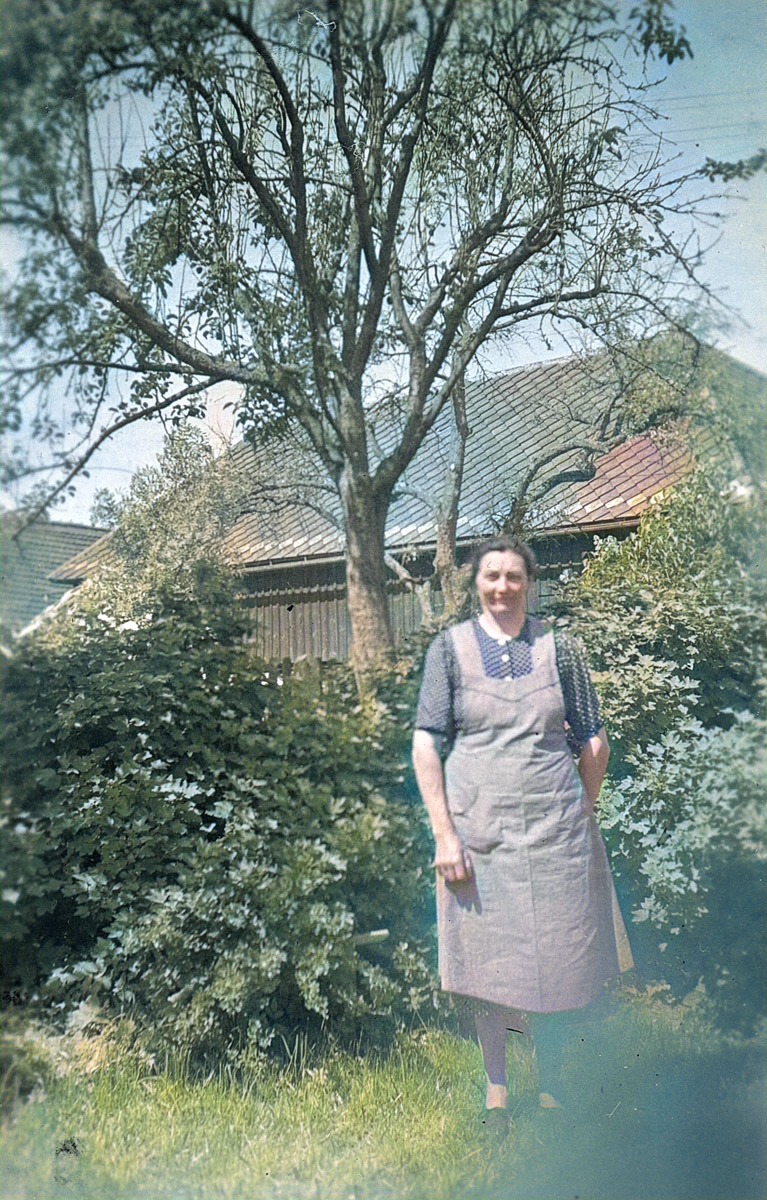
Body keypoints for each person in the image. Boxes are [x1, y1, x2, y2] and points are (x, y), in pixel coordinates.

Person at [412, 536, 632, 1128]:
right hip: (479, 838)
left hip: (554, 838)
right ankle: (497, 1093)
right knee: (490, 968)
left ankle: (552, 1086)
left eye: (514, 576)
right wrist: (444, 835)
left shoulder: (561, 649)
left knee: (555, 959)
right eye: (492, 575)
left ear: (529, 583)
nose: (502, 586)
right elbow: (426, 746)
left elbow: (594, 741)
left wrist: (582, 809)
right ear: (476, 583)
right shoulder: (449, 651)